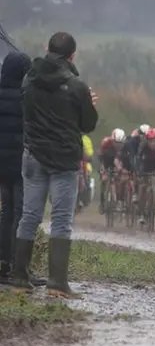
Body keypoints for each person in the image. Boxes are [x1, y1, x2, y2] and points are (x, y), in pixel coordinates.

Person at [13, 32, 98, 298]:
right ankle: (57, 283)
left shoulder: (29, 79)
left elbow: (24, 111)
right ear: (72, 56)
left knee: (29, 216)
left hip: (34, 155)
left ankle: (19, 278)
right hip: (63, 160)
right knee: (61, 219)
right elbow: (87, 125)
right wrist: (90, 105)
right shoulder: (77, 87)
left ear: (47, 49)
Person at [0, 51, 38, 286]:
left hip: (1, 165)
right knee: (21, 213)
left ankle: (2, 262)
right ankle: (18, 266)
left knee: (6, 211)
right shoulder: (27, 96)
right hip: (20, 162)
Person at [136, 128, 155, 225]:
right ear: (147, 141)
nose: (153, 143)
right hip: (145, 165)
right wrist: (139, 171)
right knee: (143, 187)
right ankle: (141, 213)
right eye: (150, 141)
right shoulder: (143, 146)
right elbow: (138, 159)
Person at [98, 128, 127, 214]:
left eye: (120, 143)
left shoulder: (125, 146)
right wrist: (103, 169)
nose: (118, 145)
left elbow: (123, 160)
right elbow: (101, 156)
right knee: (103, 180)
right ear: (112, 139)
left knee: (120, 180)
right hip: (106, 161)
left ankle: (119, 200)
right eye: (116, 142)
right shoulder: (106, 142)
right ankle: (102, 203)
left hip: (117, 162)